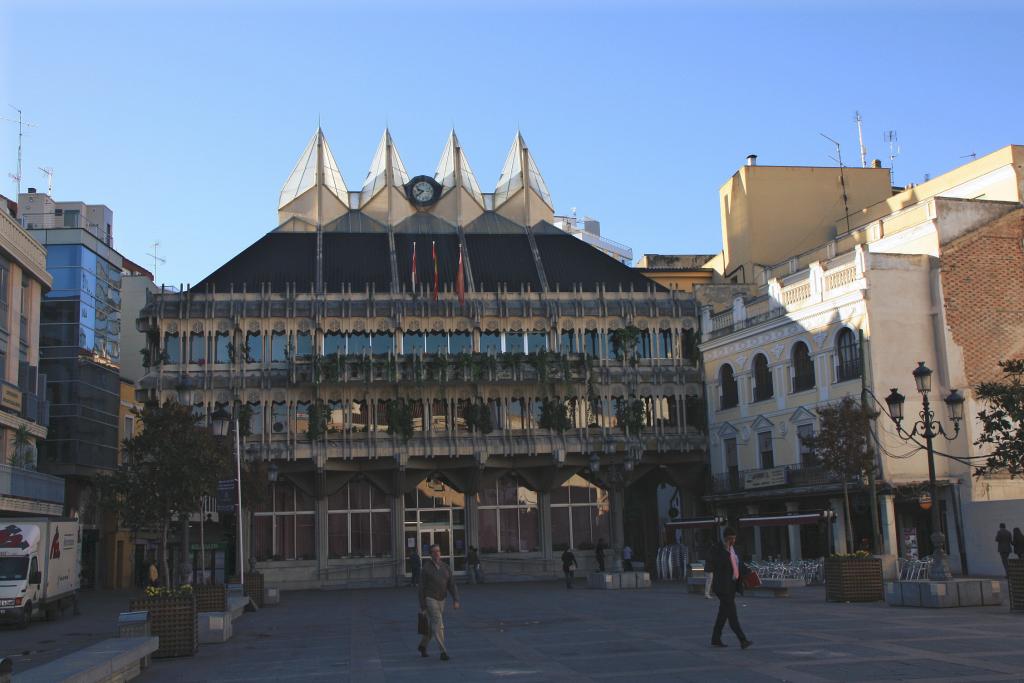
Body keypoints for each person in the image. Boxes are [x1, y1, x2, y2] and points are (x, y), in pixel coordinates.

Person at [709, 527, 753, 650]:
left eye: (734, 538)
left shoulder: (733, 550)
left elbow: (738, 564)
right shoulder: (717, 549)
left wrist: (749, 572)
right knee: (732, 615)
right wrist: (726, 551)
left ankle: (715, 638)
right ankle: (742, 640)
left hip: (731, 586)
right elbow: (717, 564)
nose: (734, 540)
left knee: (723, 614)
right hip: (722, 587)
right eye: (732, 538)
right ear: (727, 538)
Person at [418, 544, 460, 661]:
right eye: (434, 552)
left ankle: (422, 645)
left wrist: (456, 599)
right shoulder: (426, 568)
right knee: (439, 624)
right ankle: (443, 652)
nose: (437, 553)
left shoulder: (446, 567)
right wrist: (423, 606)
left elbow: (452, 585)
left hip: (442, 599)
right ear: (430, 554)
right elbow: (421, 588)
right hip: (430, 599)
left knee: (433, 626)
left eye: (438, 551)